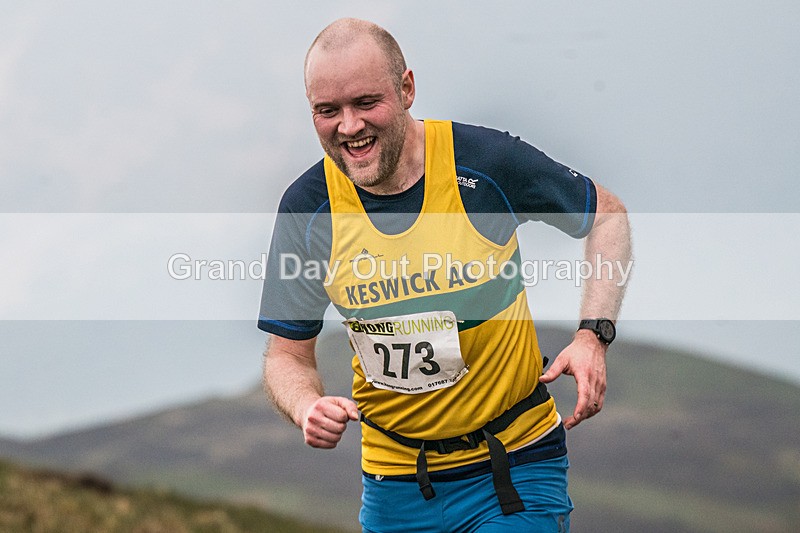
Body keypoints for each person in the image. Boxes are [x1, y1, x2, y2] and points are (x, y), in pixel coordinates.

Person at [259, 17, 631, 533]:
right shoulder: (308, 209)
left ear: (407, 89)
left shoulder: (484, 165)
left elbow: (607, 215)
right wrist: (307, 406)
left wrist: (594, 336)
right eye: (328, 111)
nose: (349, 126)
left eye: (367, 103)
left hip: (513, 467)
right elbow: (286, 354)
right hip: (395, 485)